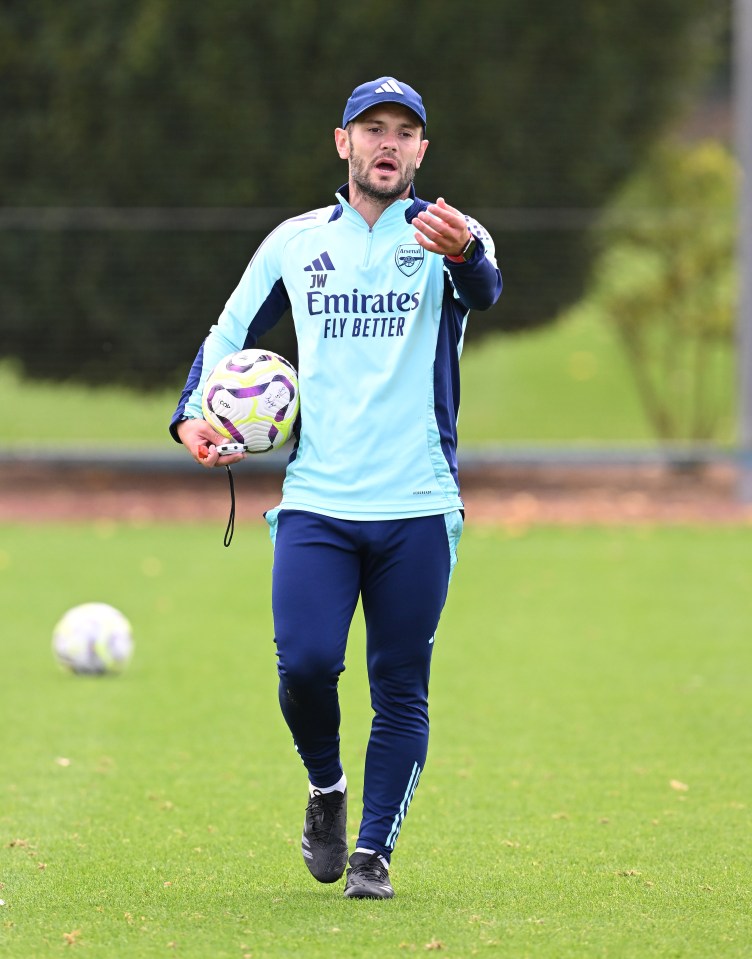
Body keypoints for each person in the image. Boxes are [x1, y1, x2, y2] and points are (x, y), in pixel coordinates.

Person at [170, 76, 502, 899]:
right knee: (307, 666)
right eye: (372, 129)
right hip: (318, 500)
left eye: (404, 132)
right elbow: (228, 333)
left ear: (422, 150)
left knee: (400, 683)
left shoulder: (447, 236)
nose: (388, 143)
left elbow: (486, 286)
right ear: (342, 142)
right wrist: (190, 420)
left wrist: (464, 250)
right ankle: (327, 788)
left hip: (419, 503)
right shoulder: (295, 241)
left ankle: (373, 854)